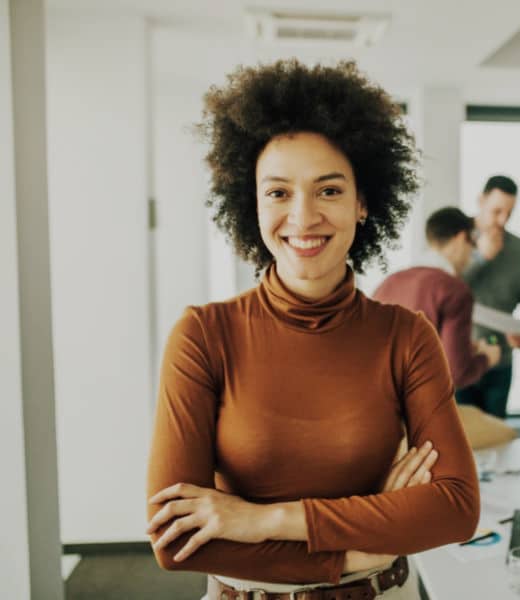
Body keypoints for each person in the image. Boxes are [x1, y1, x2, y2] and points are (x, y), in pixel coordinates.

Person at [145, 60, 479, 600]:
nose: (303, 218)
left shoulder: (406, 337)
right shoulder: (203, 336)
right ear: (251, 203)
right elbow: (176, 539)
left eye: (328, 190)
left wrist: (263, 520)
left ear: (362, 201)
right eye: (278, 192)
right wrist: (370, 542)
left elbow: (456, 509)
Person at [373, 207, 501, 389]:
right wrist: (487, 358)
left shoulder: (389, 283)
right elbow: (457, 373)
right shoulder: (454, 290)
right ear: (461, 238)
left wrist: (465, 349)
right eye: (471, 246)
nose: (470, 257)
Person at [456, 175, 520, 419]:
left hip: (500, 361)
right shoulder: (457, 239)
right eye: (497, 211)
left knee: (496, 436)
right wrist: (480, 258)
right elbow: (443, 288)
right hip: (457, 358)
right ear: (481, 201)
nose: (502, 220)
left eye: (509, 213)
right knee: (459, 440)